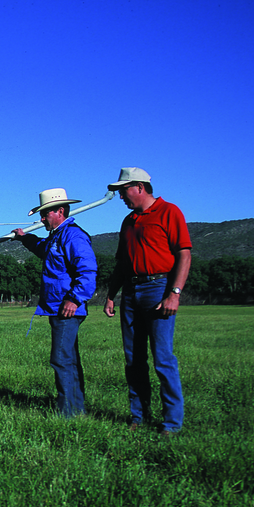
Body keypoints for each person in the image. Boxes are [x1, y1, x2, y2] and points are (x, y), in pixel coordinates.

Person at [103, 167, 192, 437]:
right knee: (134, 360)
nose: (120, 196)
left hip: (159, 288)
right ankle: (139, 416)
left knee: (162, 359)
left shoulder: (169, 212)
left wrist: (174, 293)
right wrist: (110, 294)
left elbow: (184, 254)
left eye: (123, 190)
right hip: (130, 291)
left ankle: (171, 423)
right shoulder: (128, 221)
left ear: (140, 187)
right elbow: (121, 263)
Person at [14, 188, 97, 417]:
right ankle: (76, 409)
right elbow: (44, 250)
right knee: (68, 359)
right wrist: (25, 238)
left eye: (45, 214)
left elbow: (87, 271)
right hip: (57, 307)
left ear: (60, 211)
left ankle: (67, 413)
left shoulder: (73, 236)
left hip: (67, 308)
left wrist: (74, 299)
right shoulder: (57, 236)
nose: (42, 219)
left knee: (61, 359)